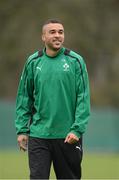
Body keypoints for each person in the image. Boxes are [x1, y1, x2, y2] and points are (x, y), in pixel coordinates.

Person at [15, 19, 90, 180]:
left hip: (68, 137)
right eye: (52, 32)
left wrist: (77, 129)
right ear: (43, 37)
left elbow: (83, 98)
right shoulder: (33, 62)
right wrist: (22, 129)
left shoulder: (76, 61)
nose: (57, 35)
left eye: (60, 32)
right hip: (39, 135)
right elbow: (24, 97)